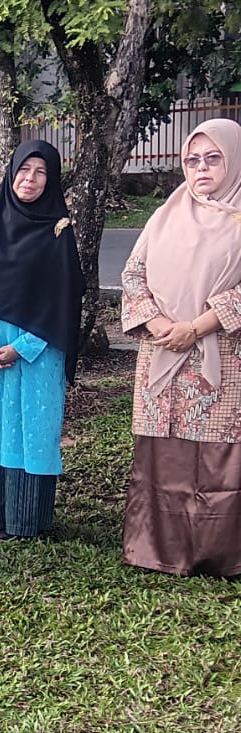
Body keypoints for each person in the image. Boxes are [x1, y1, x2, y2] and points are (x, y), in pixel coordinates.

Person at [120, 118, 241, 576]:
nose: (202, 168)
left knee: (217, 458)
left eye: (214, 158)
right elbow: (133, 273)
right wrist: (158, 322)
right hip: (162, 350)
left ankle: (216, 553)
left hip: (222, 356)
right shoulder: (167, 212)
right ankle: (159, 549)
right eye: (193, 160)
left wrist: (198, 325)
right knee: (163, 454)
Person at [0, 141, 83, 540]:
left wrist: (21, 347)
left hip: (34, 356)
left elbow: (64, 301)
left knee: (29, 430)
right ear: (11, 173)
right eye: (24, 170)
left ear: (51, 179)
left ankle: (24, 521)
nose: (30, 179)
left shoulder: (58, 233)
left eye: (41, 172)